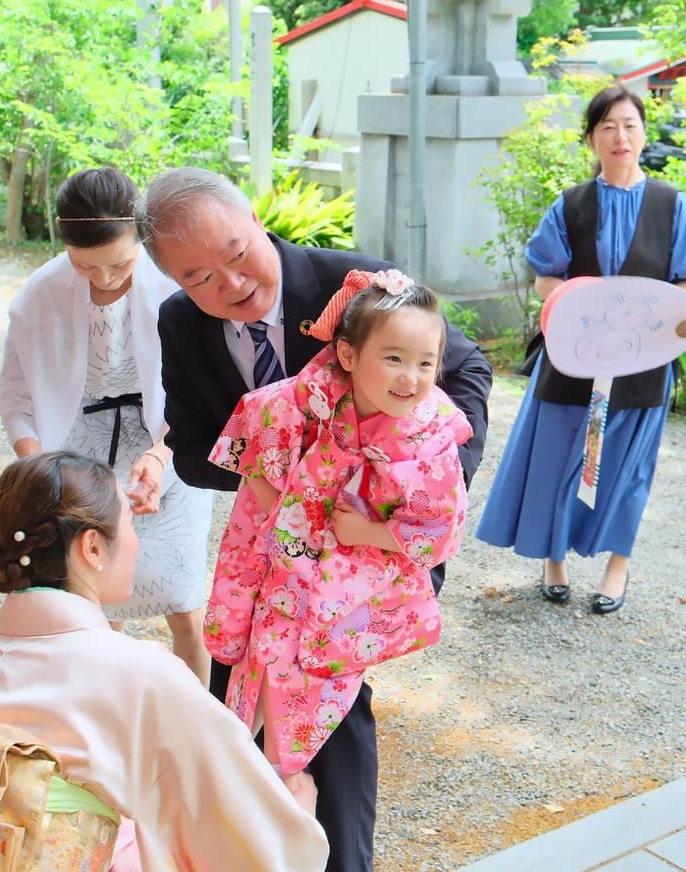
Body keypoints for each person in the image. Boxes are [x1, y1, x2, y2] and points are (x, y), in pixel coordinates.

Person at [135, 166, 492, 872]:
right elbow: (195, 444)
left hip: (372, 549)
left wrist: (415, 492)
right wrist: (279, 480)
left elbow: (465, 371)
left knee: (329, 701)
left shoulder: (356, 286)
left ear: (255, 221)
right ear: (175, 282)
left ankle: (339, 860)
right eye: (199, 277)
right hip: (270, 547)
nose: (230, 284)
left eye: (237, 254)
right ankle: (244, 849)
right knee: (235, 686)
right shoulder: (179, 321)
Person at [0, 452, 329, 872]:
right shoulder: (145, 676)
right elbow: (250, 834)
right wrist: (298, 812)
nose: (136, 541)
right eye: (131, 525)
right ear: (93, 547)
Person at [204, 268, 470, 808]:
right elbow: (256, 448)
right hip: (279, 573)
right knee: (245, 706)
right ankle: (258, 808)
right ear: (347, 355)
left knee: (292, 733)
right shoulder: (297, 402)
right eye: (393, 358)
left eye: (425, 363)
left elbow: (441, 531)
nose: (411, 378)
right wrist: (284, 511)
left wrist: (366, 529)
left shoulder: (431, 432)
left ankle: (285, 811)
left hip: (343, 599)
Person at [475, 84, 686, 614]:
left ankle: (617, 567)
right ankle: (554, 559)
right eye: (607, 126)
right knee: (557, 460)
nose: (620, 136)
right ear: (591, 138)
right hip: (571, 359)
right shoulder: (571, 204)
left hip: (642, 363)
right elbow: (546, 277)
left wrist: (658, 315)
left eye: (629, 125)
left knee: (629, 470)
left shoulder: (671, 205)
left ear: (643, 133)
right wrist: (580, 300)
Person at [0, 167, 214, 685]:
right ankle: (109, 718)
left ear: (140, 234)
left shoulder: (173, 283)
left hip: (168, 438)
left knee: (184, 603)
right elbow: (17, 394)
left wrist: (161, 457)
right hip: (77, 450)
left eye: (119, 262)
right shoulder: (39, 294)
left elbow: (200, 391)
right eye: (85, 265)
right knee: (92, 605)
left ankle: (201, 726)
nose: (105, 278)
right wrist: (40, 469)